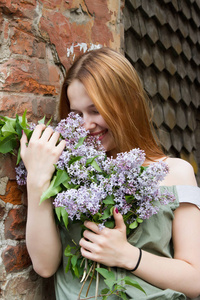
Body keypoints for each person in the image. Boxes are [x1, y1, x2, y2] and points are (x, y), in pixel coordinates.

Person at [20, 47, 200, 300]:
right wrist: (37, 180)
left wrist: (127, 256)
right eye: (76, 114)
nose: (85, 125)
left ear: (128, 105)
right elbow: (45, 266)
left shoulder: (175, 173)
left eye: (96, 110)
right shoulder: (66, 173)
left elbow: (195, 280)